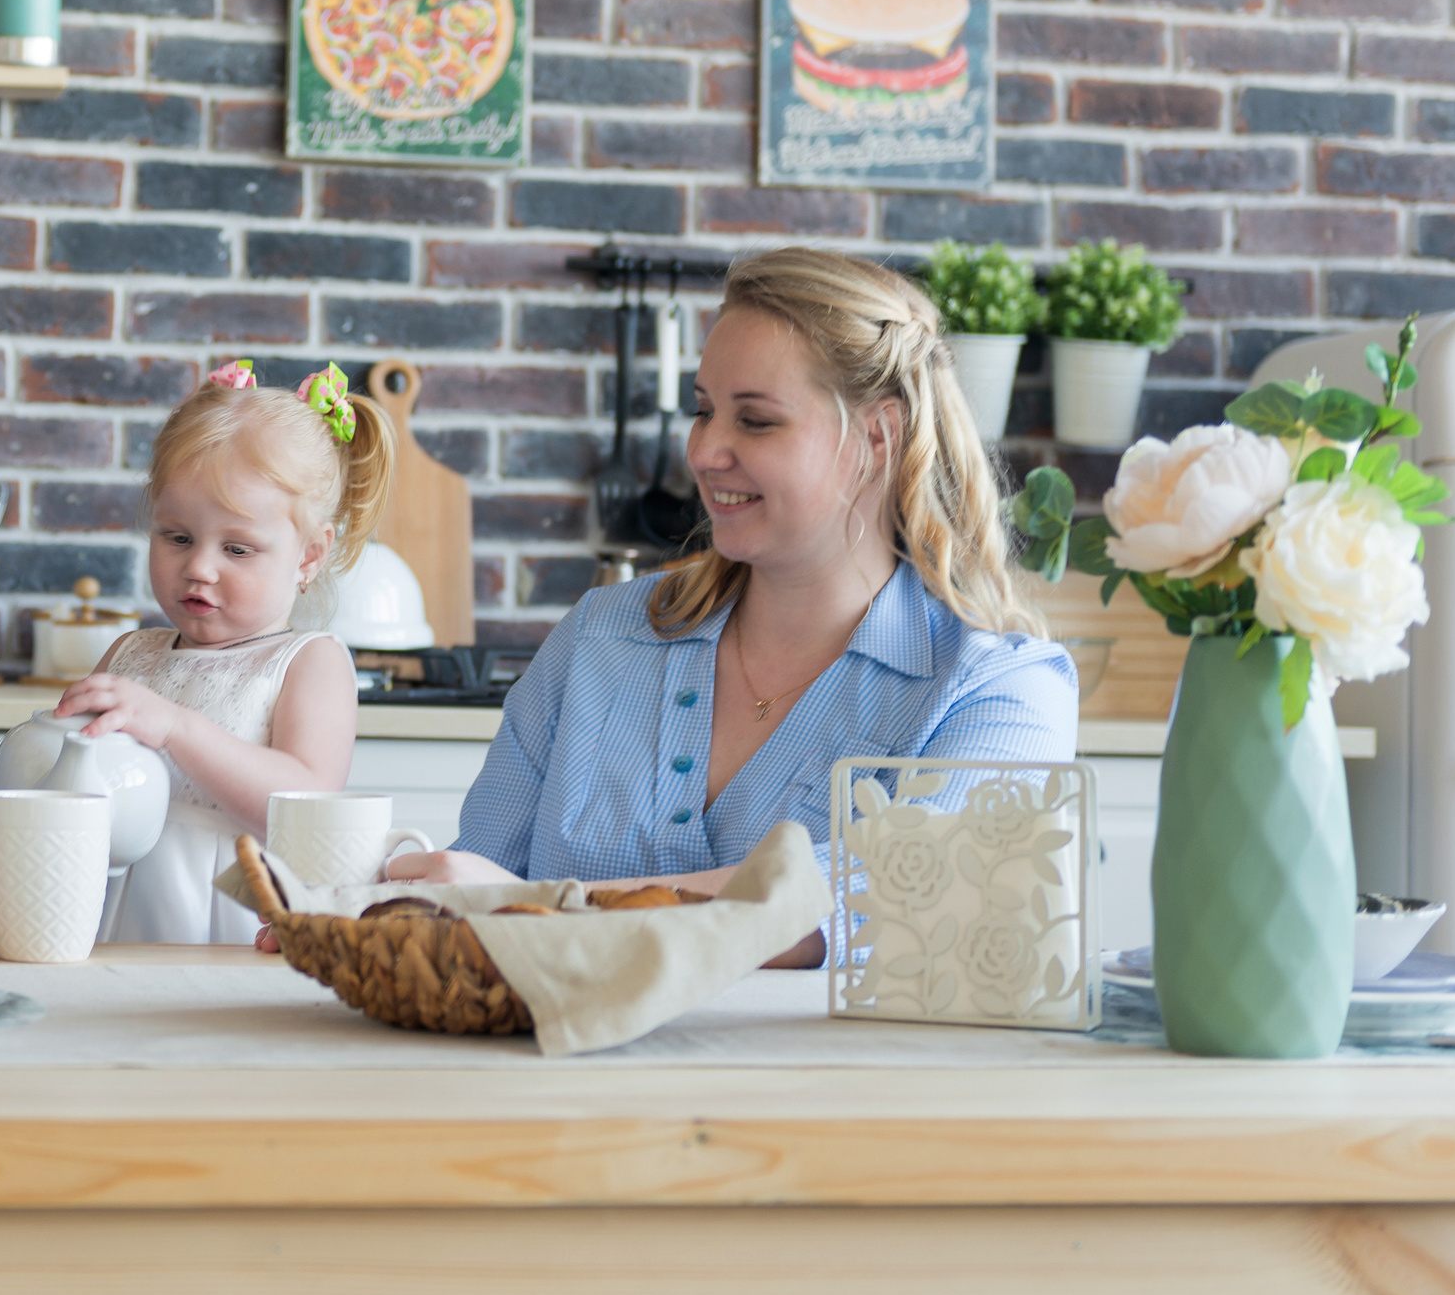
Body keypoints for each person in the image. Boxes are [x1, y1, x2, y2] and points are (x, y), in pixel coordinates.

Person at [391, 247, 1076, 962]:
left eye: (756, 421)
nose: (706, 449)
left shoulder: (1000, 689)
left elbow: (890, 898)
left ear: (880, 435)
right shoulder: (600, 637)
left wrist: (551, 910)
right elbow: (469, 889)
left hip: (830, 1078)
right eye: (703, 410)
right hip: (550, 1071)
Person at [53, 360, 391, 942]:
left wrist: (175, 728)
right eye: (177, 537)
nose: (199, 567)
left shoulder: (310, 662)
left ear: (309, 556)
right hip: (111, 924)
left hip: (230, 928)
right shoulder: (130, 654)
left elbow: (303, 804)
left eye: (237, 549)